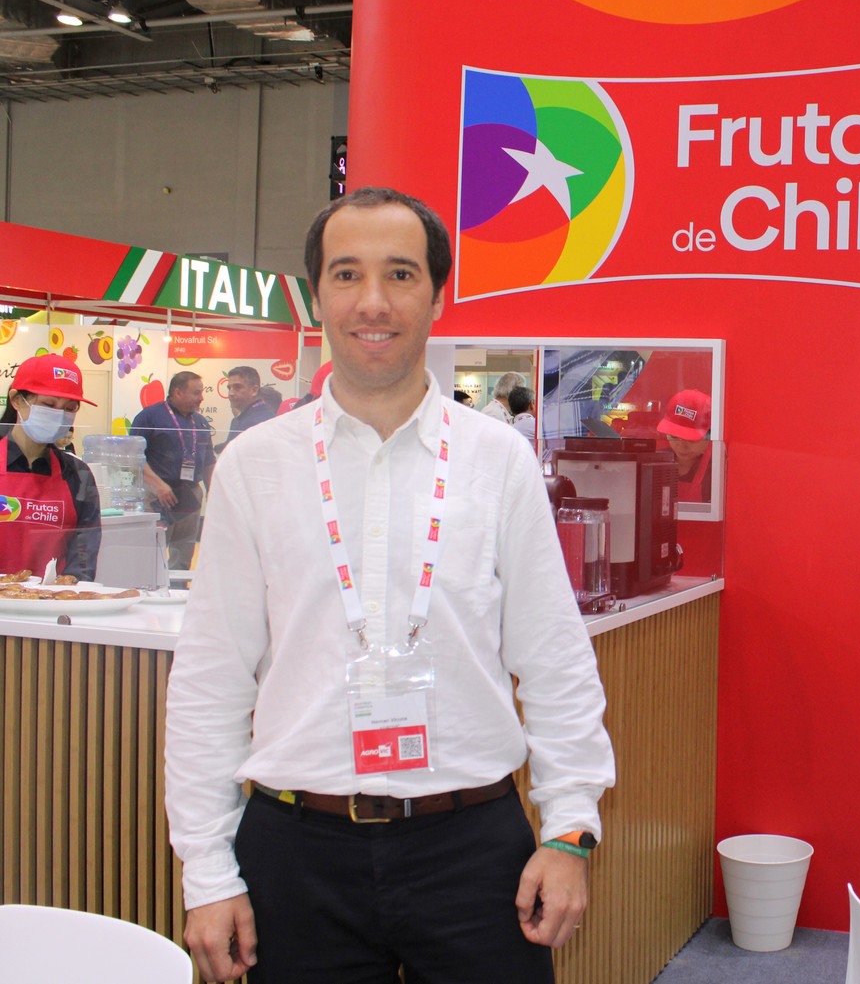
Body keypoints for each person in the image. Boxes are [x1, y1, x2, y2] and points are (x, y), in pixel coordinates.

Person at [165, 186, 615, 984]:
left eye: (401, 274)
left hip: (473, 847)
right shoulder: (254, 466)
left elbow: (555, 659)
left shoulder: (497, 460)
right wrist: (207, 869)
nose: (373, 301)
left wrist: (569, 828)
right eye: (347, 274)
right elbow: (210, 679)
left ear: (437, 297)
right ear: (317, 295)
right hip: (295, 849)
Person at [0, 353, 101, 581]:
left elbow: (82, 557)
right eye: (48, 405)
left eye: (69, 408)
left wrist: (67, 589)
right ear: (17, 400)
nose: (59, 416)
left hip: (51, 600)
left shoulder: (77, 474)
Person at [130, 371, 215, 569]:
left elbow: (209, 460)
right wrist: (158, 485)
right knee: (154, 551)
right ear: (177, 392)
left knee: (184, 552)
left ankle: (180, 587)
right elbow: (134, 456)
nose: (201, 398)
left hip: (190, 494)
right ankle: (151, 586)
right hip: (157, 494)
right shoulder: (148, 417)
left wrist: (213, 492)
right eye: (196, 393)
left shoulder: (201, 422)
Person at [657, 388, 713, 503]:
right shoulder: (656, 462)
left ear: (710, 436)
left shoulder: (717, 470)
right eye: (674, 437)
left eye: (691, 440)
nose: (681, 446)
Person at [216, 366, 275, 454]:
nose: (231, 393)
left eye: (237, 387)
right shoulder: (245, 417)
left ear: (254, 390)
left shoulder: (257, 421)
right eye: (229, 388)